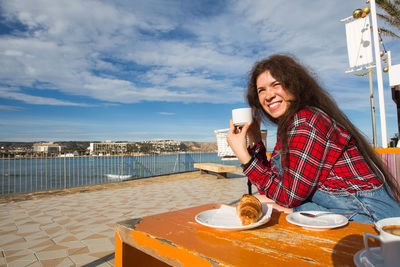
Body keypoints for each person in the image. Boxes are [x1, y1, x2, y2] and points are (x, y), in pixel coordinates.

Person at [227, 54, 400, 224]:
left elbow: (287, 196)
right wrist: (257, 141)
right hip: (347, 208)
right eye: (261, 90)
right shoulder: (291, 125)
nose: (268, 95)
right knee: (261, 201)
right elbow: (276, 183)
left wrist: (244, 156)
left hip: (372, 217)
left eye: (276, 85)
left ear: (294, 86)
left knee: (268, 209)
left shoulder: (307, 122)